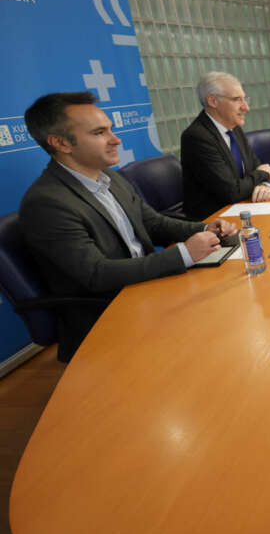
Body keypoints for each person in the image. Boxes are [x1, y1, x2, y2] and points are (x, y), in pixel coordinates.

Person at [19, 92, 237, 362]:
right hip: (108, 313)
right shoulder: (47, 203)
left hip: (145, 287)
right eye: (100, 133)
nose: (116, 139)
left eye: (111, 129)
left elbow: (153, 223)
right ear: (61, 143)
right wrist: (184, 254)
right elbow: (97, 274)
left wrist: (205, 228)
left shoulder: (109, 177)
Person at [181, 71, 270, 220]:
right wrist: (264, 175)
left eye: (245, 99)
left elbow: (256, 165)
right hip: (214, 221)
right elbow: (232, 191)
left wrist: (265, 185)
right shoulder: (197, 137)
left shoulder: (234, 128)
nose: (246, 107)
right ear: (213, 101)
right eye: (237, 100)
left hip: (244, 208)